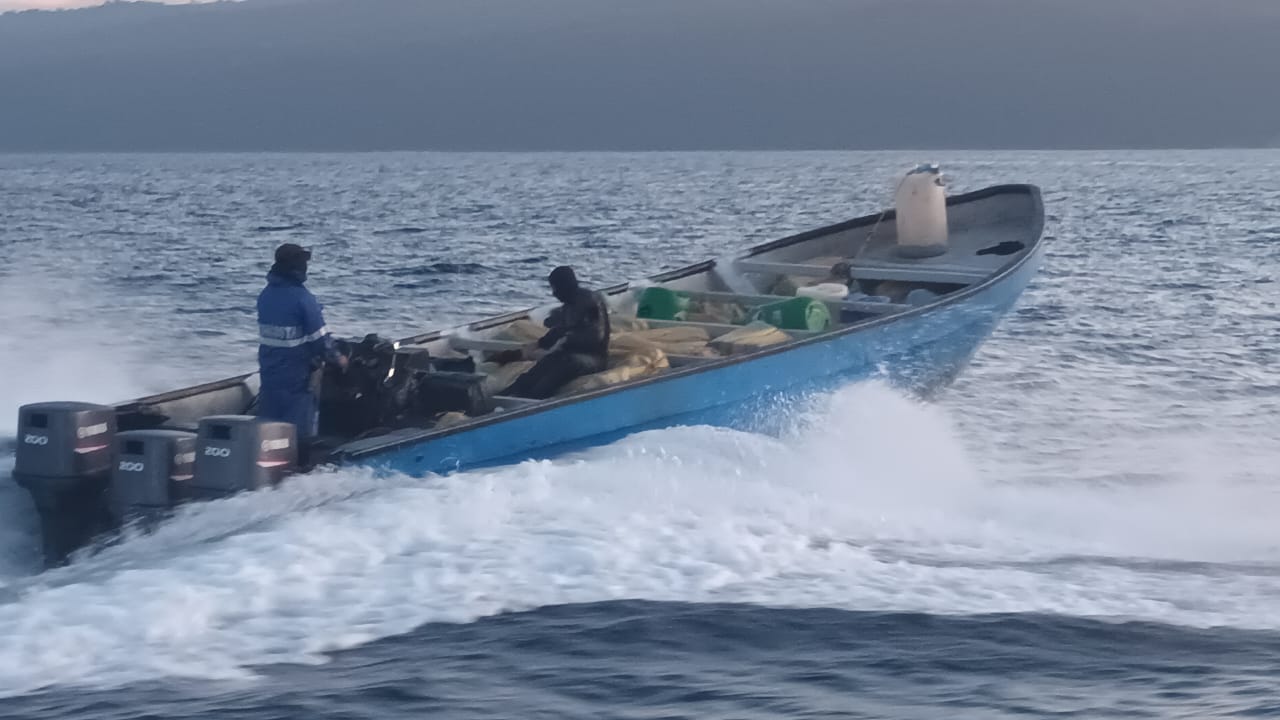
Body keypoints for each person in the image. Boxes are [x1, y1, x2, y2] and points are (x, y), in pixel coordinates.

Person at [256, 243, 347, 449]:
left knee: (269, 423)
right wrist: (340, 359)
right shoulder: (303, 299)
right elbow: (321, 343)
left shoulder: (266, 295)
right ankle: (300, 465)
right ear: (295, 266)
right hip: (297, 377)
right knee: (298, 431)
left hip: (270, 372)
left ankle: (266, 459)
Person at [502, 265, 610, 399]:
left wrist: (563, 342)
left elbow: (595, 337)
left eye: (555, 288)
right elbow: (559, 330)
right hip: (569, 353)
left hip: (593, 358)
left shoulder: (591, 301)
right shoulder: (569, 305)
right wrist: (539, 344)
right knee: (544, 365)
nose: (554, 293)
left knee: (561, 367)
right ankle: (509, 393)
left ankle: (534, 398)